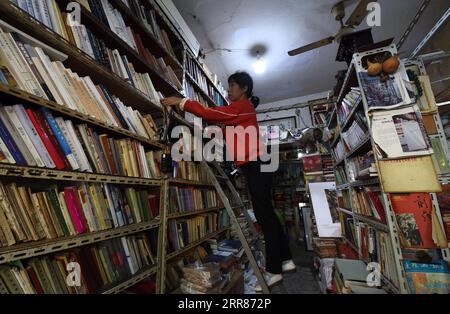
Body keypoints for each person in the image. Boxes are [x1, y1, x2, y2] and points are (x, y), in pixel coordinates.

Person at [161, 71, 295, 291]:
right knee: (267, 213)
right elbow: (221, 130)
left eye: (233, 85)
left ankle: (273, 271)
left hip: (258, 162)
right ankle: (286, 259)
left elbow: (213, 113)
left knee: (264, 215)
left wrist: (183, 102)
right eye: (229, 85)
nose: (229, 89)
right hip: (255, 163)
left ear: (244, 89)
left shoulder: (243, 107)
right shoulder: (238, 114)